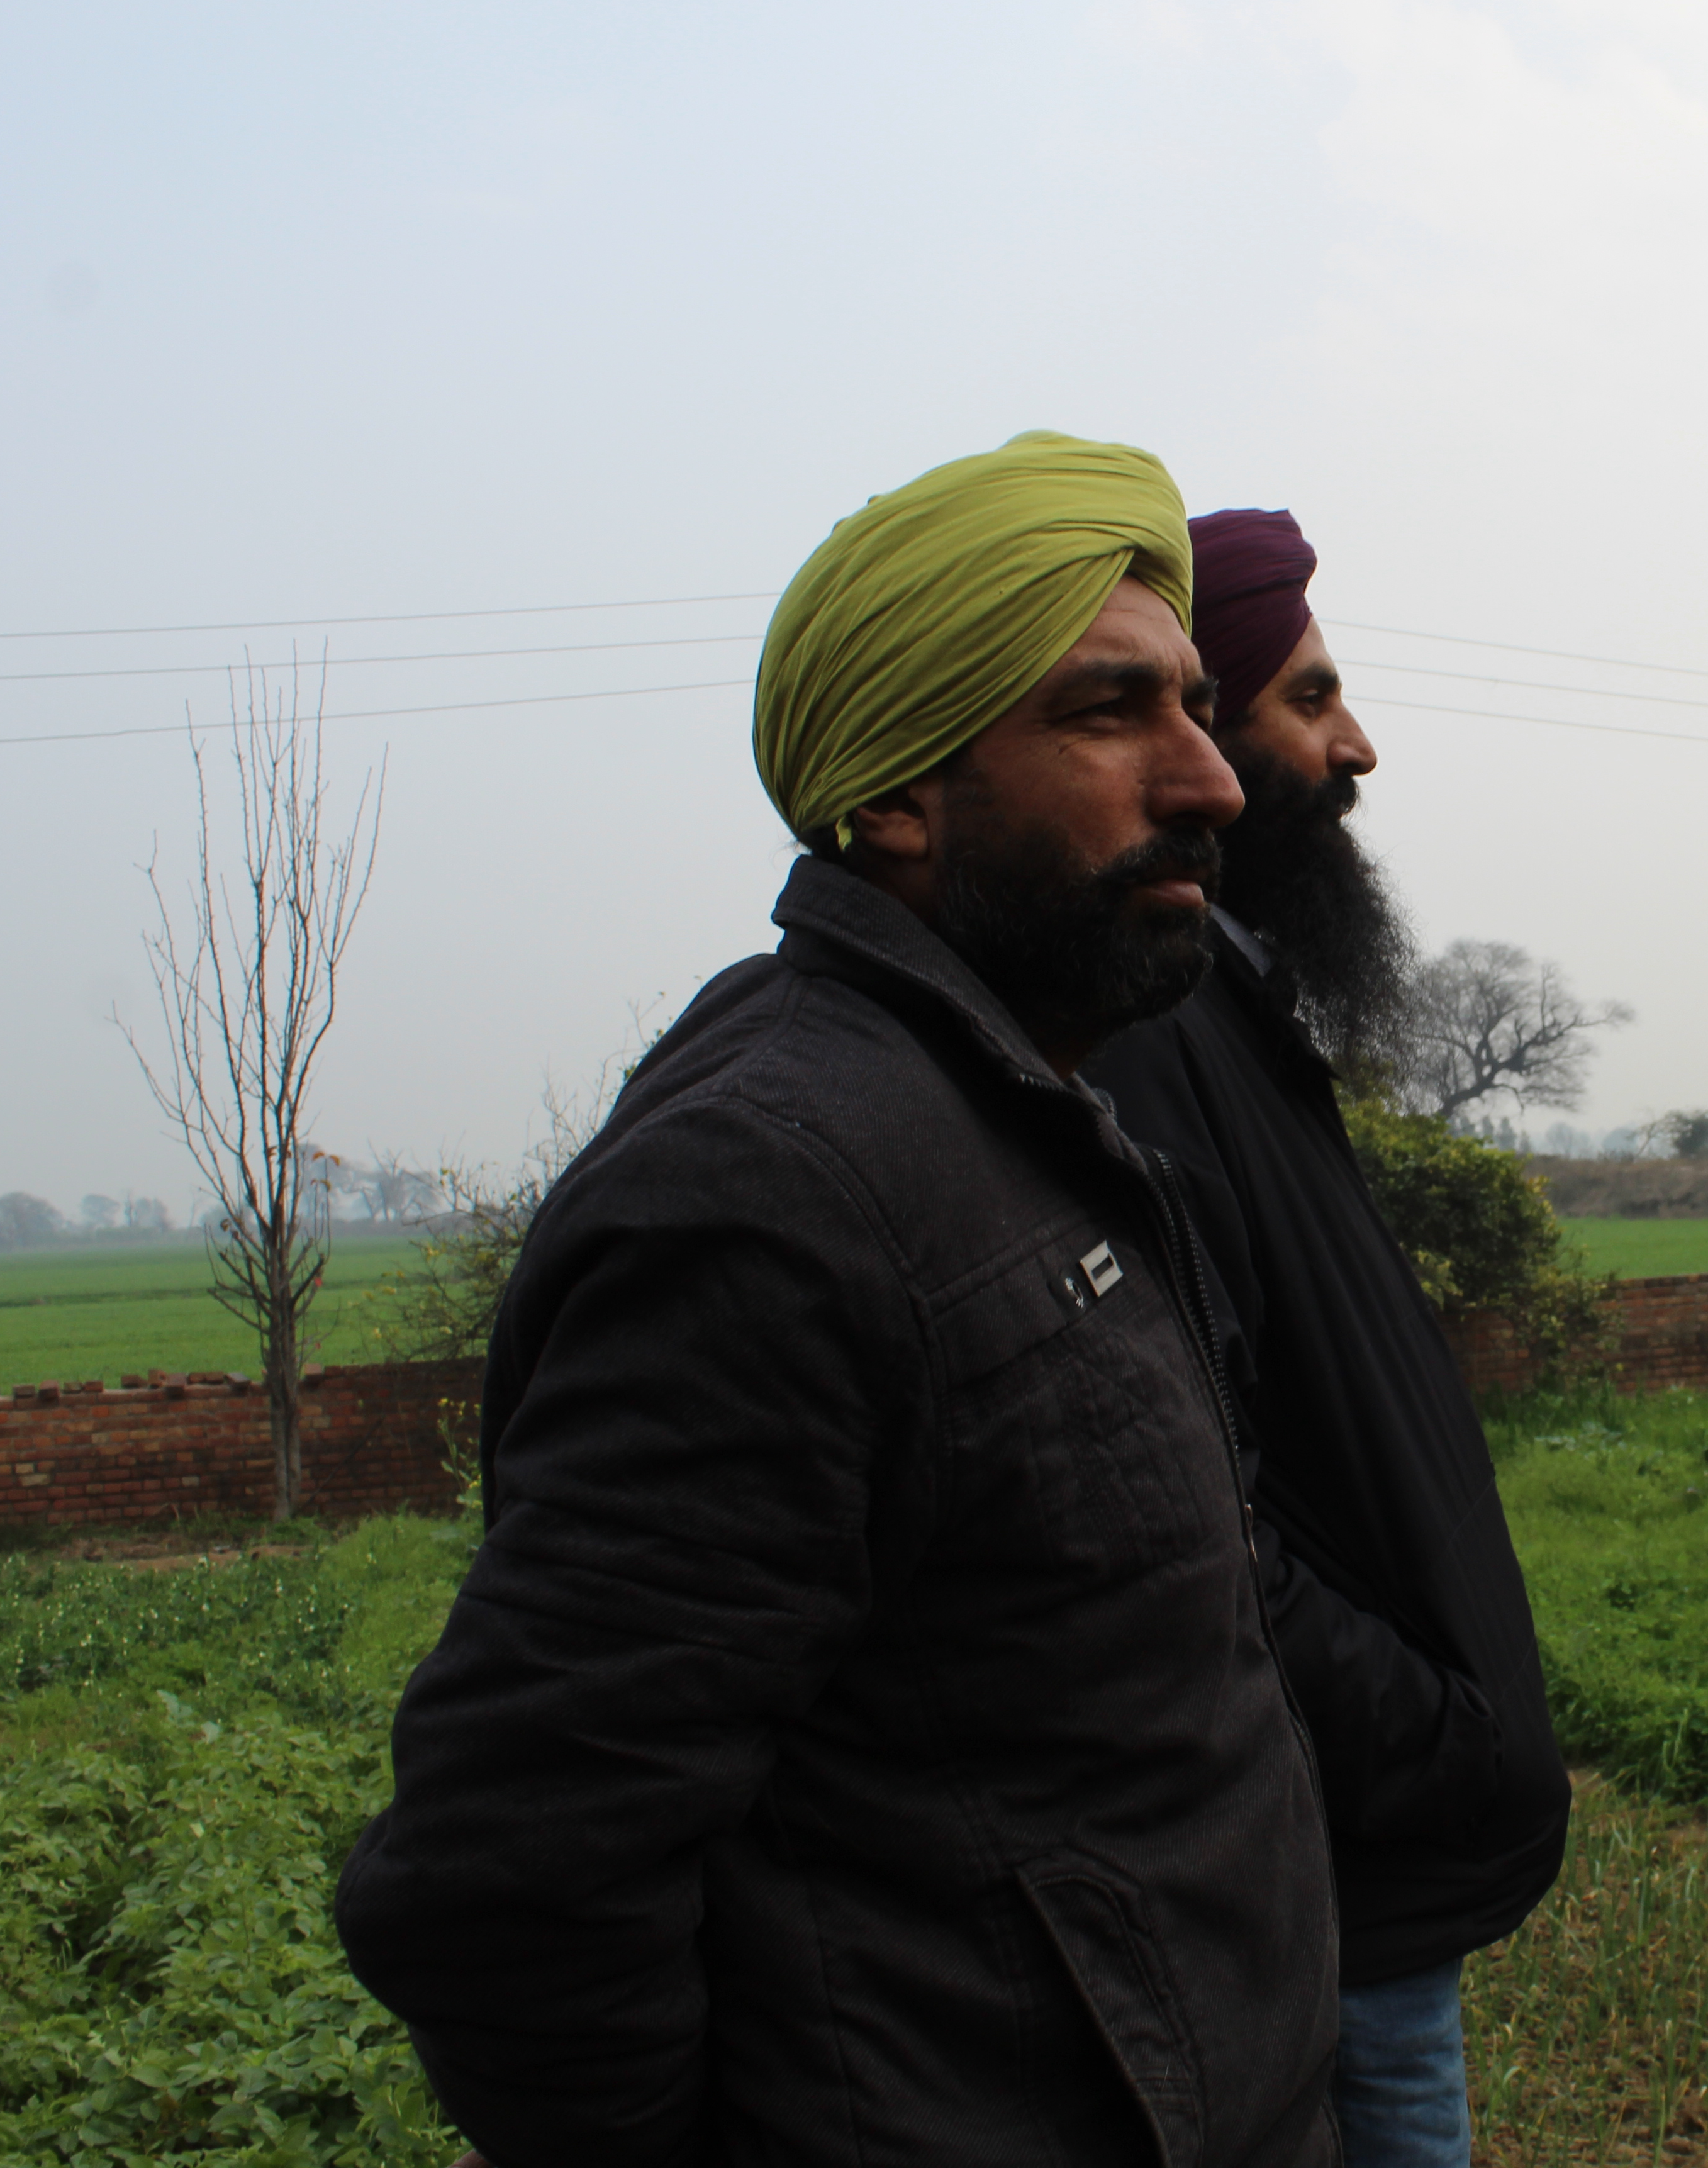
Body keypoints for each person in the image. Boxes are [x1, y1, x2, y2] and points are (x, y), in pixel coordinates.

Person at [337, 434, 1341, 2168]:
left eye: (1194, 705)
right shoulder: (778, 1191)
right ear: (892, 797)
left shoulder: (1013, 1108)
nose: (1212, 782)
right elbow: (511, 1880)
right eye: (1109, 713)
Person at [1085, 510, 1571, 2167]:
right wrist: (1428, 1731)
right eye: (1310, 699)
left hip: (1365, 1853)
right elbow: (1180, 1511)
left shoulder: (1234, 1011)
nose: (1355, 746)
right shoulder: (1146, 1042)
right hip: (1328, 1861)